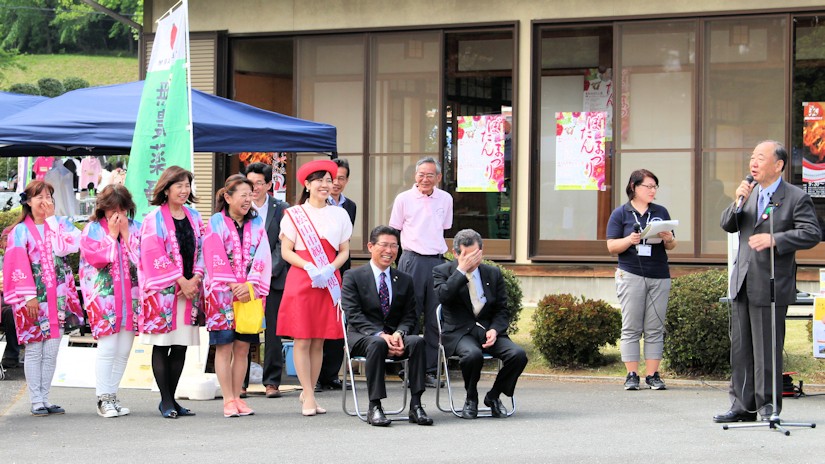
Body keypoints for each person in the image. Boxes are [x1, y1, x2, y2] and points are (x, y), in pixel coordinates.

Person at [714, 140, 820, 423]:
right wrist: (737, 199)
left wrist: (776, 239)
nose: (754, 163)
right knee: (741, 349)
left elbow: (811, 233)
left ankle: (767, 406)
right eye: (752, 157)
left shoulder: (795, 197)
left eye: (760, 157)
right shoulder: (747, 194)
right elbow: (728, 224)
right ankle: (741, 406)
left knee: (766, 350)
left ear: (779, 164)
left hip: (771, 284)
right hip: (742, 282)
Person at [277, 159, 352, 416]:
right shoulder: (295, 214)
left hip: (328, 280)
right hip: (302, 279)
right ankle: (307, 394)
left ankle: (309, 391)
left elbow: (344, 250)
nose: (325, 184)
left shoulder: (340, 214)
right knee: (302, 337)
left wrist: (331, 268)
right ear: (307, 184)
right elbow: (286, 250)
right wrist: (309, 267)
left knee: (319, 339)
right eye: (319, 180)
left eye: (329, 180)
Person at [2, 180, 84, 416]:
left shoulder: (59, 225)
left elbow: (67, 248)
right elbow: (16, 264)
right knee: (35, 349)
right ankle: (36, 400)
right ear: (28, 201)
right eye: (39, 196)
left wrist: (51, 220)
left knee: (51, 351)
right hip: (31, 300)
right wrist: (28, 296)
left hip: (58, 298)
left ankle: (45, 398)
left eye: (49, 196)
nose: (45, 201)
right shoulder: (20, 231)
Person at [342, 225, 433, 427]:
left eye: (394, 246)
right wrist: (379, 334)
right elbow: (353, 313)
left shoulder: (405, 279)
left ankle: (416, 405)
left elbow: (410, 315)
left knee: (417, 342)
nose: (389, 251)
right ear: (370, 246)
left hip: (395, 336)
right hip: (362, 336)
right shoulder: (353, 276)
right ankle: (375, 406)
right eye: (384, 245)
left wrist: (400, 333)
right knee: (377, 344)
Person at [433, 229, 527, 419]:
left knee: (518, 355)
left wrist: (495, 329)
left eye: (474, 255)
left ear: (481, 253)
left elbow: (502, 309)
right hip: (459, 332)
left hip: (487, 330)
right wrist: (460, 271)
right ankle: (471, 397)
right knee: (472, 355)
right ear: (455, 253)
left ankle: (493, 396)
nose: (469, 260)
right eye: (464, 255)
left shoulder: (492, 273)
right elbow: (444, 296)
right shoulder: (442, 271)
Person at [138, 166, 205, 419]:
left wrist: (195, 278)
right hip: (165, 293)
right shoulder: (152, 219)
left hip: (189, 292)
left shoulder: (195, 216)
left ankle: (172, 399)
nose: (184, 190)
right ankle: (165, 401)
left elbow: (202, 250)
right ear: (166, 189)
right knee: (161, 344)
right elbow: (151, 254)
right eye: (179, 185)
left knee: (180, 347)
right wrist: (180, 281)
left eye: (187, 185)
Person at [203, 174, 272, 418]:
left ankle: (238, 397)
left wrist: (251, 285)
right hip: (222, 295)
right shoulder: (215, 222)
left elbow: (264, 256)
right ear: (227, 197)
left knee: (243, 348)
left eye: (249, 195)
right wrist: (234, 284)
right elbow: (213, 255)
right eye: (242, 195)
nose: (247, 200)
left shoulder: (257, 224)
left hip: (250, 294)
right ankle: (228, 399)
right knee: (224, 347)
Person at [606, 169, 677, 391]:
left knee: (655, 327)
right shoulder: (621, 213)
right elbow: (611, 247)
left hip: (659, 274)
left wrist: (669, 238)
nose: (652, 191)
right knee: (631, 326)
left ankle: (653, 374)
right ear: (634, 187)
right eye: (648, 186)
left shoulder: (660, 211)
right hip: (631, 273)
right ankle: (632, 374)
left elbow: (672, 246)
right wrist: (629, 239)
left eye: (655, 187)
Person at [389, 156, 453, 387]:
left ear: (438, 177)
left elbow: (444, 228)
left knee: (436, 317)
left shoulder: (445, 198)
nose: (425, 179)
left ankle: (431, 370)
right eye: (421, 175)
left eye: (430, 175)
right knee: (410, 316)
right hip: (412, 260)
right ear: (415, 176)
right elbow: (394, 230)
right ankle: (408, 368)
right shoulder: (403, 199)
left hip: (437, 262)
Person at [79, 184, 141, 418]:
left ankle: (112, 396)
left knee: (124, 350)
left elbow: (144, 259)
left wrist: (125, 235)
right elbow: (96, 260)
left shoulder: (136, 228)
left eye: (122, 209)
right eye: (111, 209)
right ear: (103, 208)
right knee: (108, 348)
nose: (117, 215)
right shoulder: (93, 230)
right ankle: (103, 398)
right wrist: (113, 236)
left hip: (131, 298)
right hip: (104, 299)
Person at [243, 162, 289, 399]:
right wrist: (249, 272)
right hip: (245, 279)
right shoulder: (240, 207)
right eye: (249, 183)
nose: (253, 189)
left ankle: (271, 381)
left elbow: (284, 243)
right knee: (245, 329)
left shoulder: (281, 209)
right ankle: (241, 380)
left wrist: (266, 270)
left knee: (273, 331)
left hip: (273, 278)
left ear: (269, 185)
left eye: (258, 183)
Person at [318, 157, 357, 391]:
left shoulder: (349, 206)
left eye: (341, 178)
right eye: (332, 179)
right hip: (318, 269)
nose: (336, 183)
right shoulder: (315, 204)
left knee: (338, 320)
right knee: (318, 321)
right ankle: (316, 373)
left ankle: (331, 374)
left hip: (341, 267)